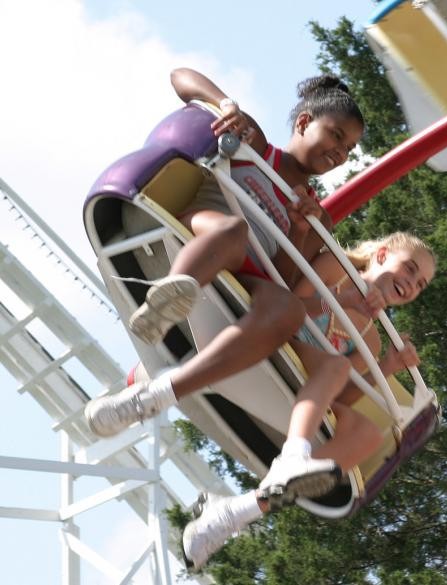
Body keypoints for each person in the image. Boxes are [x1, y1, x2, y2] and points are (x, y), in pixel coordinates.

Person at [84, 67, 366, 505]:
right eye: (335, 136)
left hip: (252, 273)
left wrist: (300, 229)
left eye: (348, 149)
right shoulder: (254, 143)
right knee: (233, 230)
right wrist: (225, 105)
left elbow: (283, 276)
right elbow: (181, 78)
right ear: (305, 122)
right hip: (213, 231)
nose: (340, 152)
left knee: (287, 308)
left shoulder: (318, 215)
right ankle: (174, 295)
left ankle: (159, 387)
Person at [181, 232, 436, 571]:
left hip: (305, 384)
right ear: (383, 255)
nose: (412, 283)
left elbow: (341, 396)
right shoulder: (337, 267)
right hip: (278, 340)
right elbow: (288, 304)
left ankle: (238, 510)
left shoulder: (372, 340)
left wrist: (387, 366)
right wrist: (342, 300)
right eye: (410, 268)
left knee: (368, 434)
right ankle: (295, 454)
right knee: (337, 364)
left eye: (420, 284)